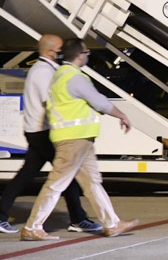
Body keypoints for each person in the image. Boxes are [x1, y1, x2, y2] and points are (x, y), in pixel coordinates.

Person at [20, 38, 140, 241]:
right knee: (56, 184)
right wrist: (122, 115)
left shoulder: (59, 75)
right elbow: (99, 102)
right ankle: (33, 226)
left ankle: (112, 224)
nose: (87, 56)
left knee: (92, 182)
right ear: (79, 55)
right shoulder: (74, 77)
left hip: (79, 140)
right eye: (86, 52)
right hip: (73, 140)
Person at [0, 35, 102, 235]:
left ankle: (1, 214)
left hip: (37, 130)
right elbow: (54, 102)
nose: (64, 52)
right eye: (60, 49)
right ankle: (78, 219)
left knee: (27, 174)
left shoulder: (46, 69)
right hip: (42, 131)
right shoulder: (44, 72)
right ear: (49, 51)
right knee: (67, 174)